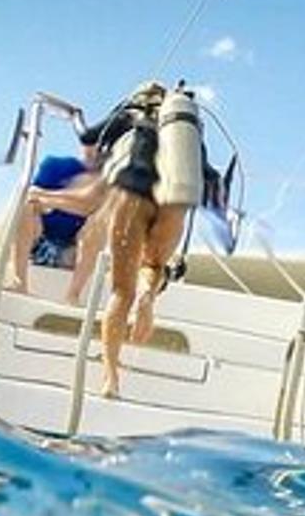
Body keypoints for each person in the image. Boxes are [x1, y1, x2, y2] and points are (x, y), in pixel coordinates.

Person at [78, 80, 208, 398]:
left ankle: (110, 377)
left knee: (122, 291)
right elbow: (208, 174)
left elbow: (87, 136)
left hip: (132, 192)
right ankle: (148, 299)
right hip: (174, 202)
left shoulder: (129, 116)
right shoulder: (186, 135)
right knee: (153, 263)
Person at [5, 138, 105, 292]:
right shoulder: (55, 165)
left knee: (98, 223)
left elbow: (88, 204)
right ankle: (20, 282)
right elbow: (32, 195)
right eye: (93, 143)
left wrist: (50, 200)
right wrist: (65, 202)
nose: (98, 149)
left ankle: (73, 295)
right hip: (41, 243)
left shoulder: (111, 181)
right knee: (26, 206)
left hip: (73, 253)